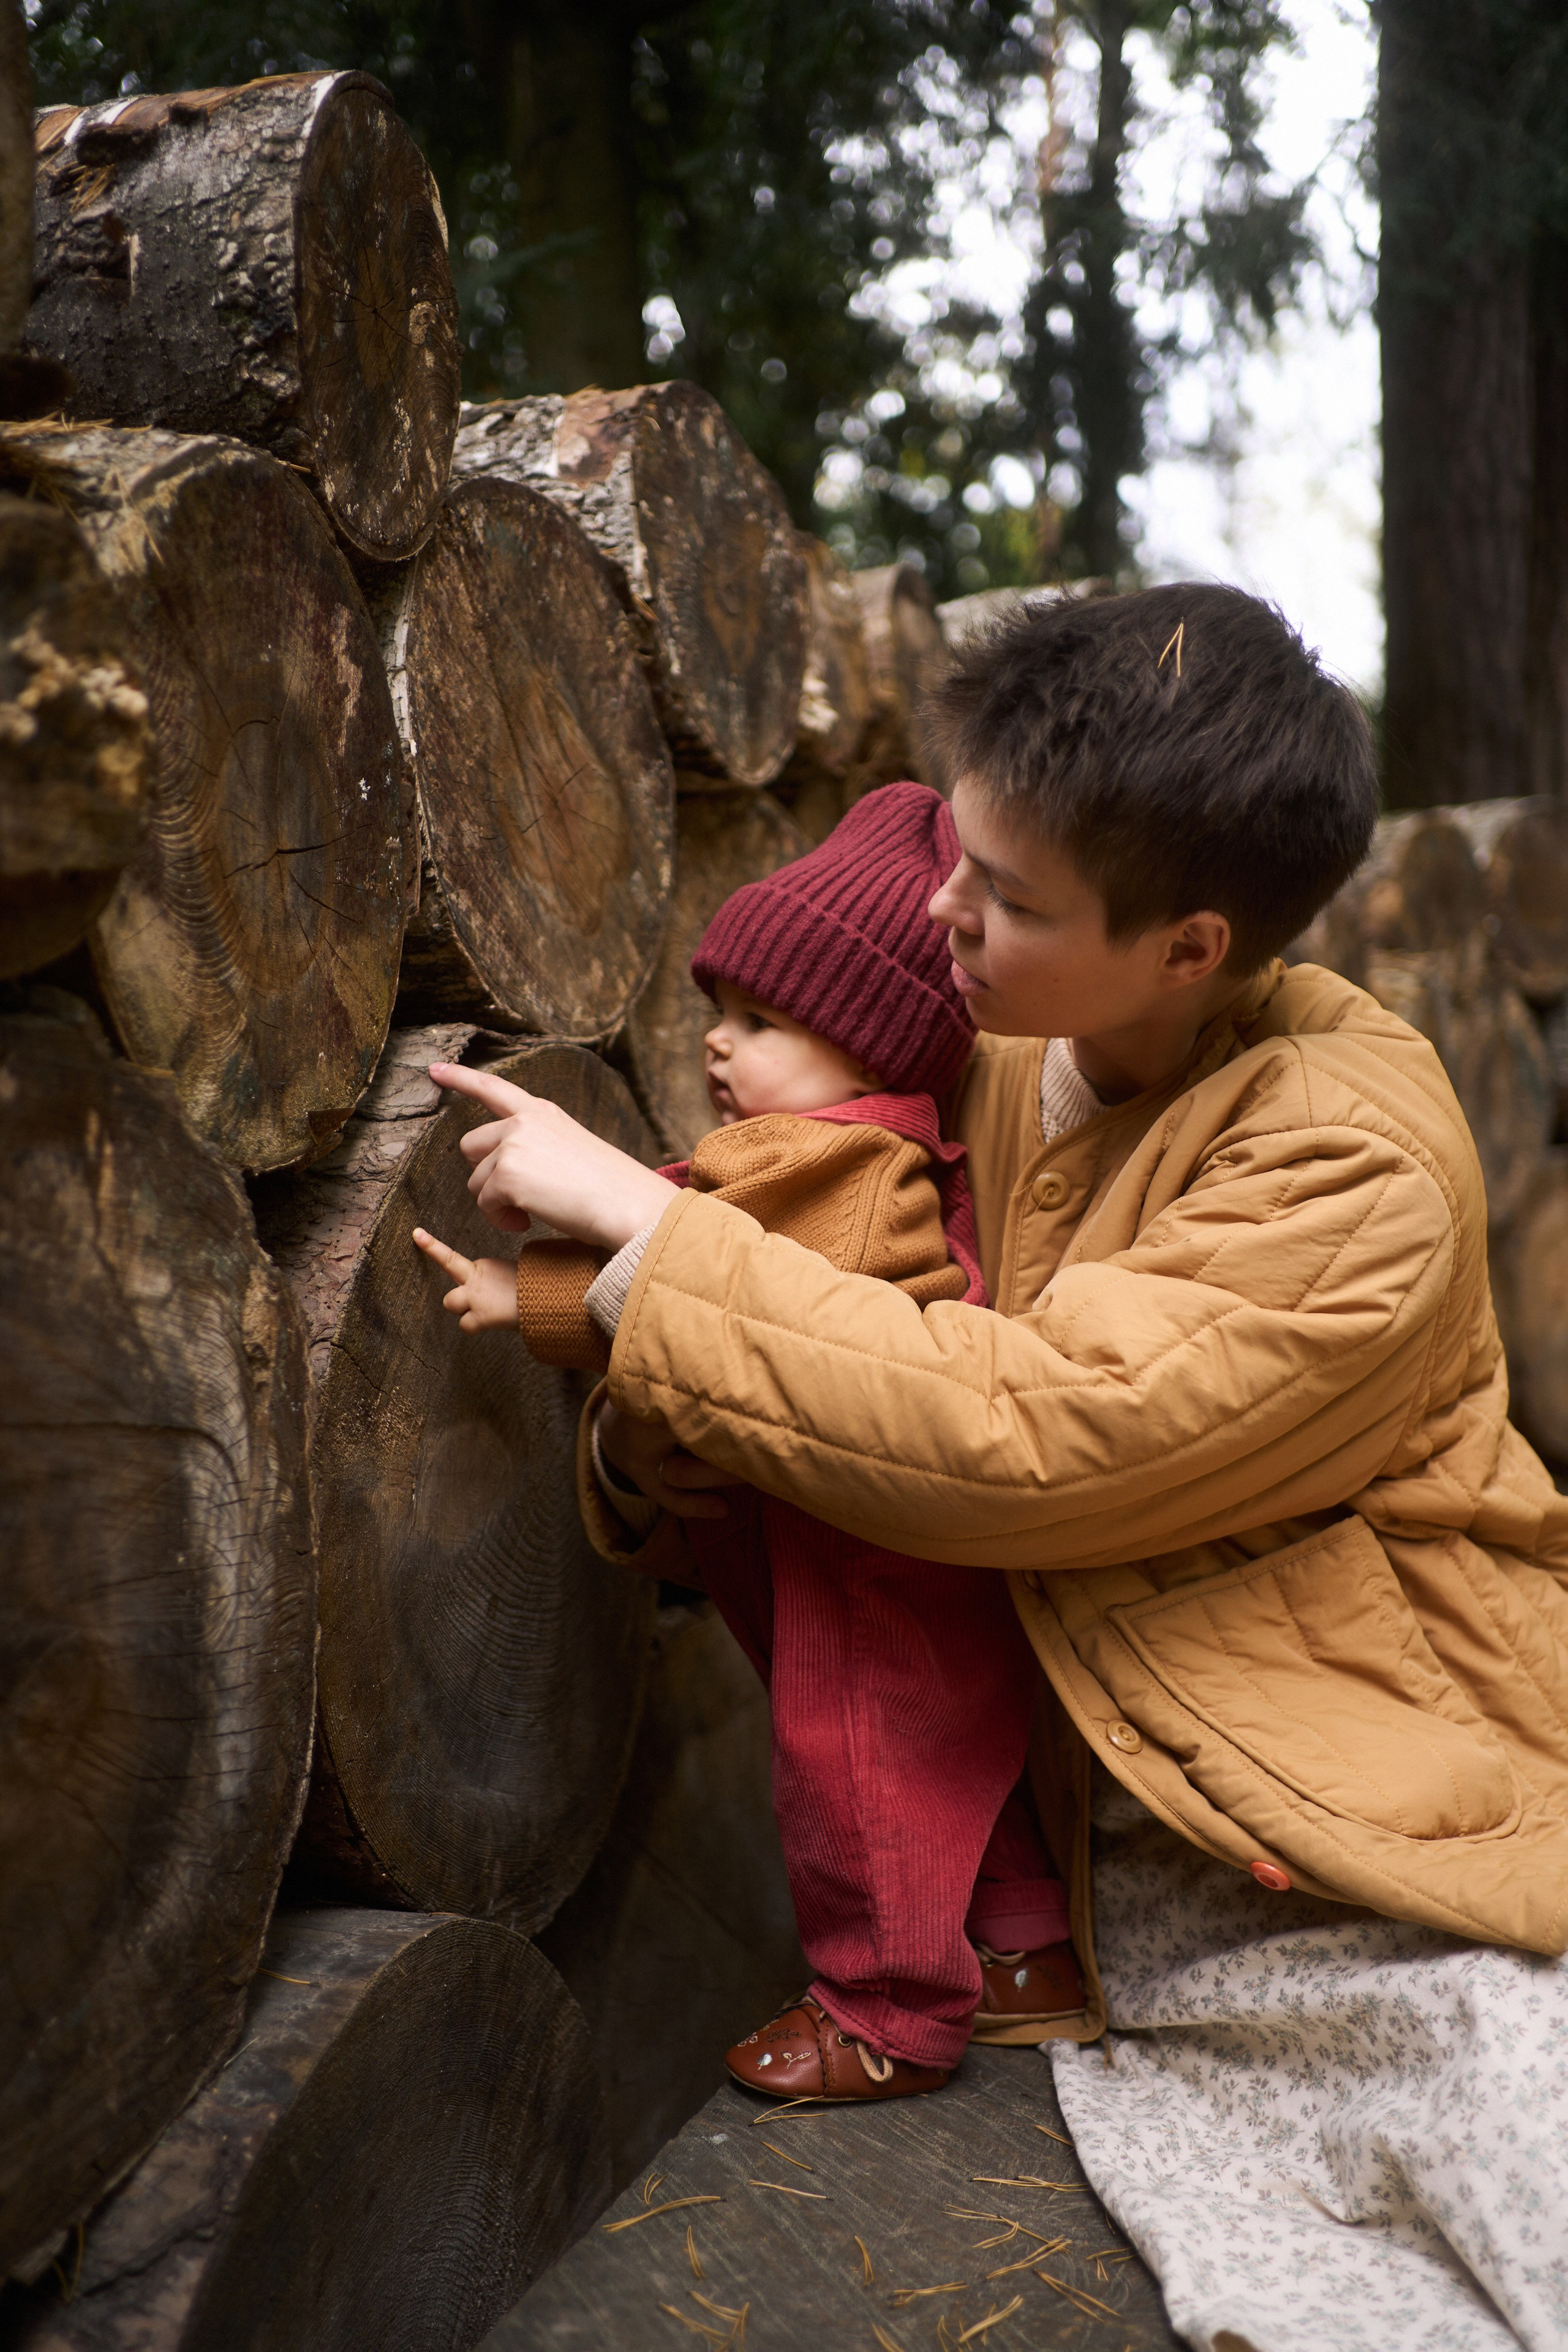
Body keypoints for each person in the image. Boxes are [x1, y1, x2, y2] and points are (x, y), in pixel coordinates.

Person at [423, 584, 1568, 2346]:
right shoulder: (996, 1042)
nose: (941, 914)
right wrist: (645, 1415)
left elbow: (1027, 1433)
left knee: (1512, 2125)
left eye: (1008, 900)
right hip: (1070, 1799)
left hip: (1353, 1796)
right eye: (960, 853)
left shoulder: (1349, 1169)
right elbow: (821, 1311)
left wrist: (649, 1238)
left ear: (1192, 946)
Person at [416, 782, 1090, 2101]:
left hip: (862, 1555)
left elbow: (696, 1262)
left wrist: (538, 1291)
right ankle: (1026, 1957)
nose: (718, 1047)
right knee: (951, 1755)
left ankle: (887, 2014)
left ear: (869, 1040)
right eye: (718, 1013)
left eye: (761, 1021)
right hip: (875, 1535)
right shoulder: (839, 1151)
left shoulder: (831, 1162)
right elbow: (706, 1272)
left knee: (859, 1773)